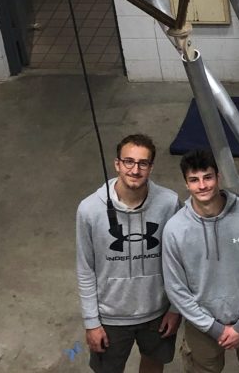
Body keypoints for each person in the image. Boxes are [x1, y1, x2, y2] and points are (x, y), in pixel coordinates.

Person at [162, 149, 239, 373]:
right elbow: (176, 288)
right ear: (186, 184)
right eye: (194, 180)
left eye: (208, 177)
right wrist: (213, 328)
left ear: (219, 177)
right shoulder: (174, 230)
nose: (202, 186)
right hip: (201, 324)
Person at [76, 133, 182, 373]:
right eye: (128, 162)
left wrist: (176, 309)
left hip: (158, 312)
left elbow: (181, 260)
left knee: (154, 365)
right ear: (117, 164)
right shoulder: (89, 209)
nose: (135, 170)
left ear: (151, 167)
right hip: (110, 317)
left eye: (143, 163)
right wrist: (92, 322)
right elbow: (85, 269)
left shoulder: (169, 203)